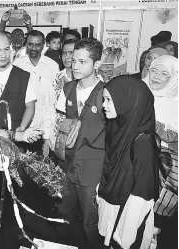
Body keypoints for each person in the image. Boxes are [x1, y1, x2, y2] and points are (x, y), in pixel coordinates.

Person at [98, 75, 159, 249]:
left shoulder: (143, 141)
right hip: (112, 204)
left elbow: (142, 195)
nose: (104, 105)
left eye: (109, 100)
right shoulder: (118, 127)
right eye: (104, 100)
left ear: (129, 102)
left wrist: (125, 234)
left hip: (127, 217)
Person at [55, 38, 105, 248]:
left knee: (90, 220)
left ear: (97, 64)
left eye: (82, 62)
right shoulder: (67, 88)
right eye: (73, 60)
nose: (75, 66)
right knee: (65, 211)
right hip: (68, 163)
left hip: (93, 168)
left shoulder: (106, 93)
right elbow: (59, 118)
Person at [143, 55, 178, 243]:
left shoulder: (176, 103)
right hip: (133, 161)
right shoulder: (139, 92)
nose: (156, 76)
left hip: (161, 168)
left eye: (164, 74)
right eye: (154, 70)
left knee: (154, 223)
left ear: (173, 78)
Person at [0, 30, 36, 132]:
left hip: (13, 137)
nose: (3, 55)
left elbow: (30, 106)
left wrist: (22, 128)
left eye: (6, 49)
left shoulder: (23, 76)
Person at [14, 30, 59, 156]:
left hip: (41, 130)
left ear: (43, 45)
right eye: (30, 44)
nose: (33, 48)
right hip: (21, 130)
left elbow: (51, 103)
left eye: (37, 44)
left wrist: (47, 136)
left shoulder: (52, 67)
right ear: (26, 44)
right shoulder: (16, 65)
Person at [49, 38, 78, 166]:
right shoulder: (56, 78)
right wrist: (47, 138)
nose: (67, 57)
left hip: (79, 139)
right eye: (64, 53)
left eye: (71, 53)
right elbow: (49, 108)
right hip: (57, 137)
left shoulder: (90, 79)